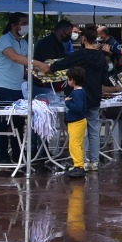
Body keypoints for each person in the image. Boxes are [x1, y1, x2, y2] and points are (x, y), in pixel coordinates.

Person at [48, 26, 114, 173]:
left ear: (83, 39)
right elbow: (104, 78)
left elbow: (63, 63)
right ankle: (94, 161)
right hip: (95, 96)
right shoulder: (101, 57)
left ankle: (81, 161)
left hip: (80, 97)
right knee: (94, 130)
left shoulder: (80, 55)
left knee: (79, 132)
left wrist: (51, 67)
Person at [0, 13, 33, 162]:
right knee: (3, 122)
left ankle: (17, 152)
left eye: (27, 23)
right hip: (1, 87)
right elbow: (15, 57)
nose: (26, 26)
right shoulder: (4, 40)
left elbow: (25, 65)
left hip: (17, 87)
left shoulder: (24, 42)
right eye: (23, 23)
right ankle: (2, 154)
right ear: (14, 25)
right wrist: (37, 64)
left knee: (18, 123)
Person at [62, 66, 90, 180]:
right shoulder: (81, 91)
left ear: (72, 80)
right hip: (79, 121)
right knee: (78, 144)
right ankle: (78, 164)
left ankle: (79, 166)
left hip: (76, 122)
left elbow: (78, 107)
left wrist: (68, 103)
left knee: (74, 145)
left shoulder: (77, 93)